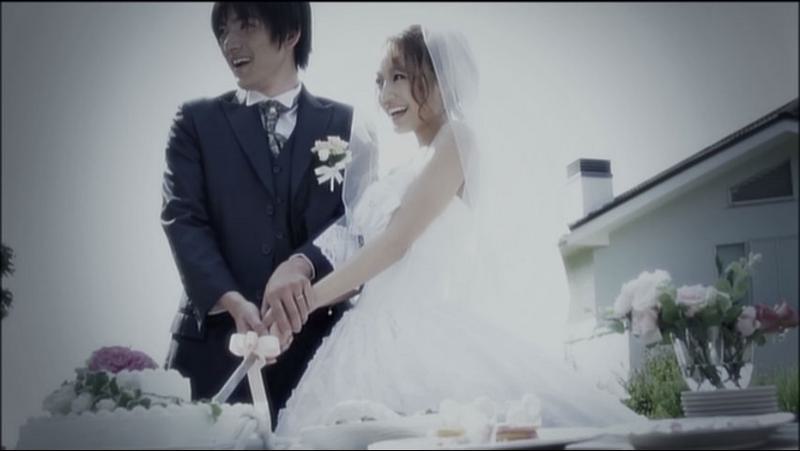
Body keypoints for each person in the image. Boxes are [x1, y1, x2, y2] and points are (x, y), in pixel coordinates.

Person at [271, 25, 643, 436]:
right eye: (380, 82)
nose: (385, 95)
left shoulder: (458, 140)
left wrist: (307, 303)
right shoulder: (408, 166)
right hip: (364, 335)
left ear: (440, 77)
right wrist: (297, 284)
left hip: (418, 334)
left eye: (399, 77)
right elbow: (361, 253)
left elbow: (396, 242)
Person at [160, 2, 353, 423]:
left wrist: (304, 263)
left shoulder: (344, 124)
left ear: (291, 33)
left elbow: (352, 222)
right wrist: (231, 301)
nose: (230, 43)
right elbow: (182, 218)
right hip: (212, 352)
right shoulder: (195, 122)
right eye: (223, 30)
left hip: (314, 353)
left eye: (246, 26)